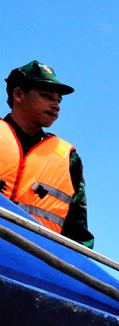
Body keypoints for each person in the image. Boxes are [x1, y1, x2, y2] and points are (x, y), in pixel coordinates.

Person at [1, 60, 93, 248]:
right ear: (18, 94)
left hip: (29, 270)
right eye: (46, 96)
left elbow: (77, 233)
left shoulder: (69, 159)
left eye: (59, 100)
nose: (56, 105)